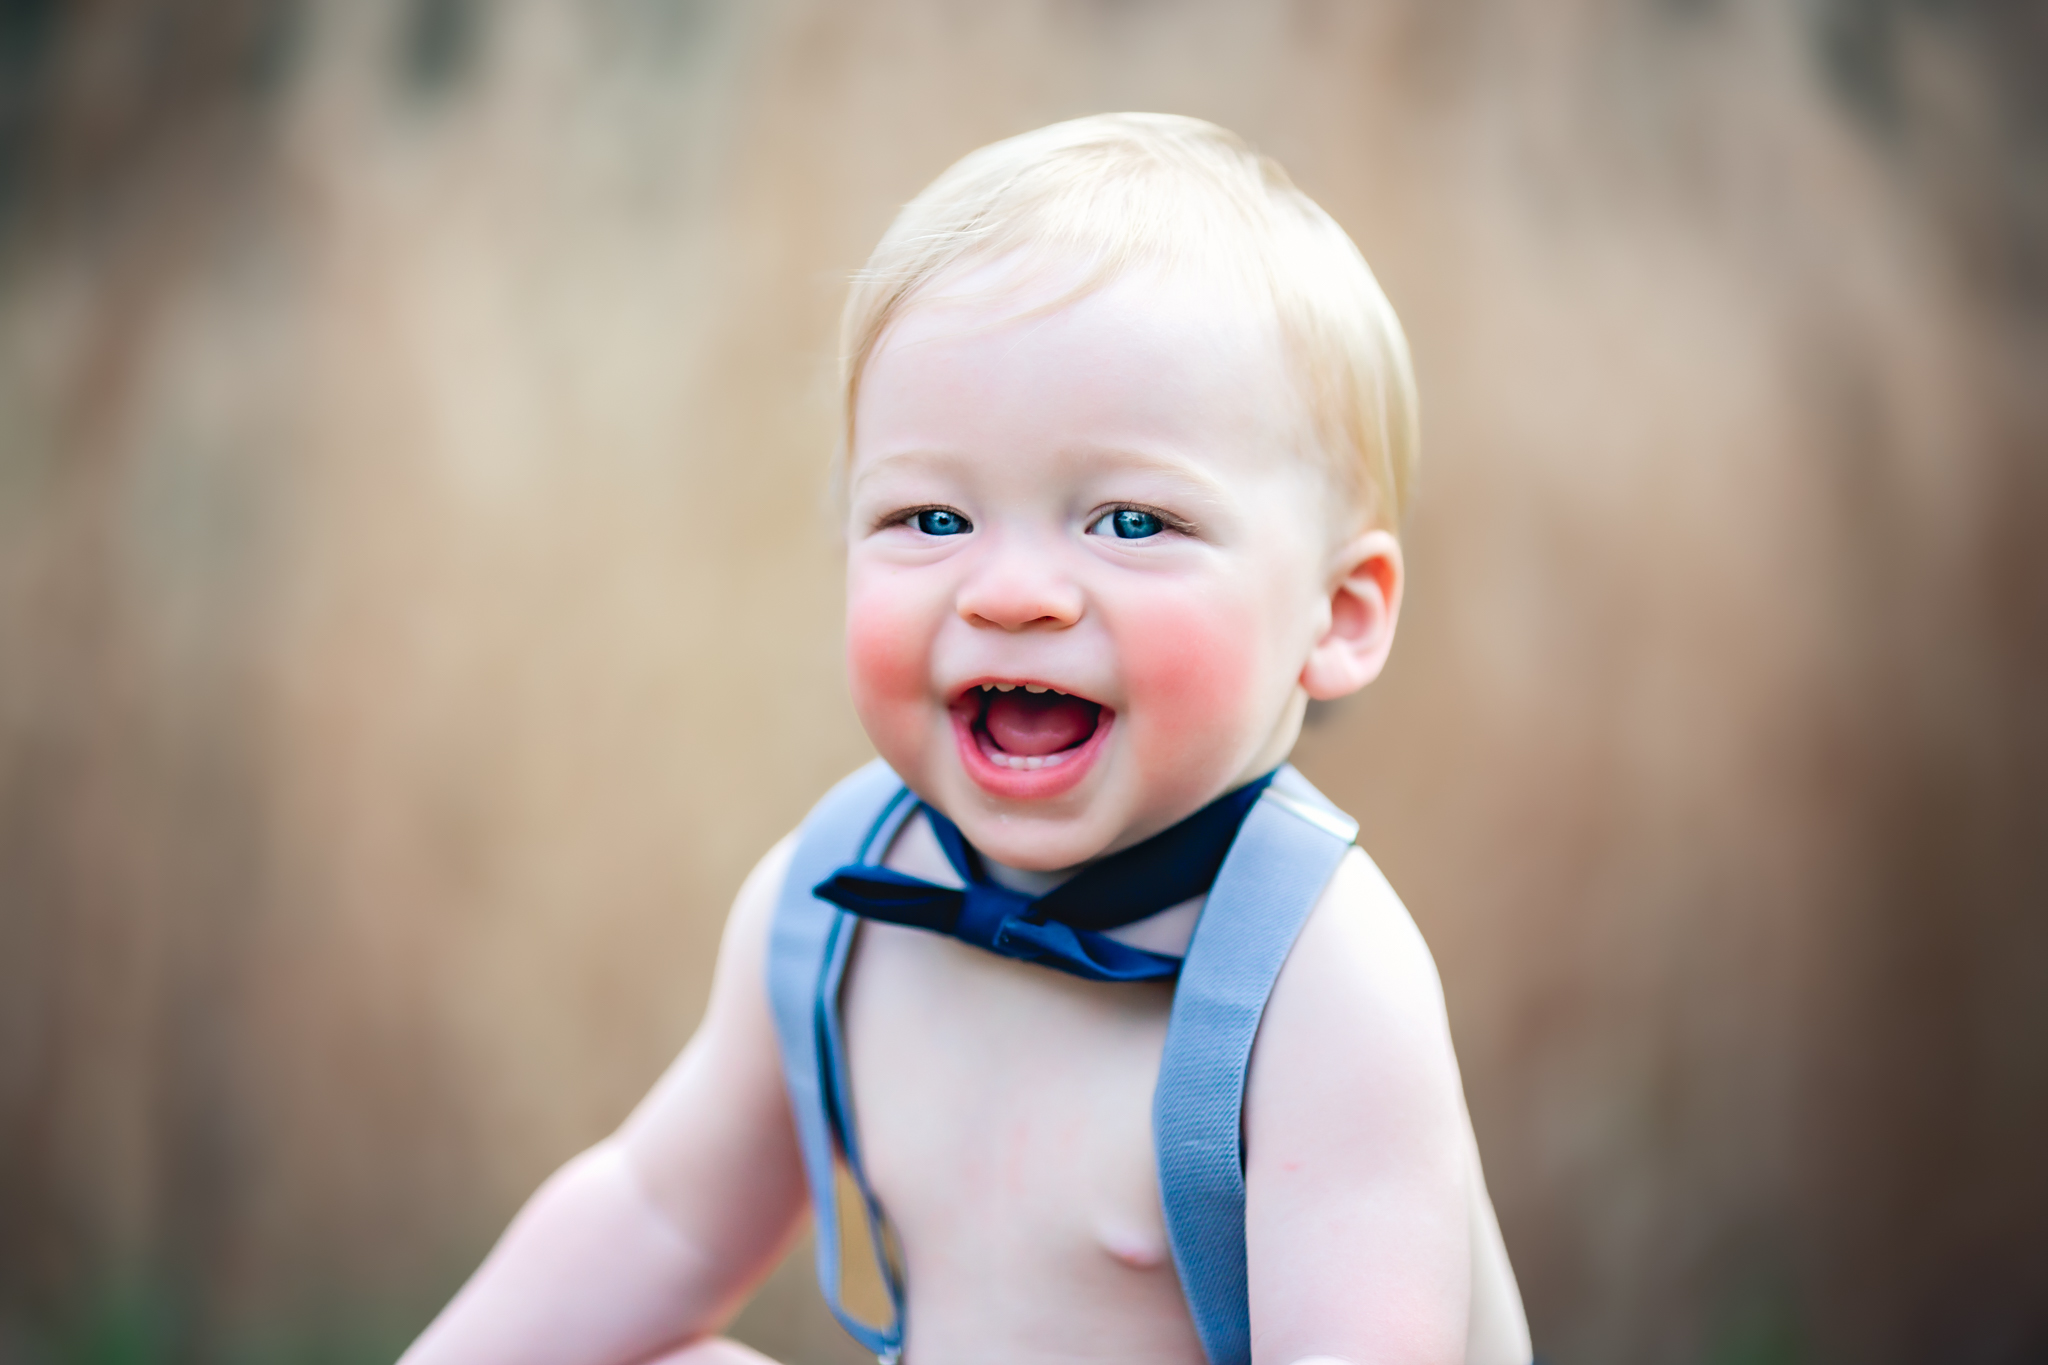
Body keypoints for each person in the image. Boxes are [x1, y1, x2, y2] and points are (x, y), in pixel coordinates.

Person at [400, 113, 1532, 1365]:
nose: (1009, 592)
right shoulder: (832, 901)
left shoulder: (1318, 982)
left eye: (1131, 522)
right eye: (932, 516)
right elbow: (659, 1218)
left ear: (1336, 614)